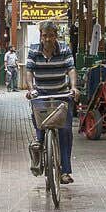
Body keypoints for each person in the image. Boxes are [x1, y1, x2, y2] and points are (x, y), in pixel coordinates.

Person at [25, 20, 78, 184]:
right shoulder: (34, 50)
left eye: (51, 36)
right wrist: (30, 89)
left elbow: (71, 69)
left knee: (65, 131)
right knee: (40, 128)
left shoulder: (64, 49)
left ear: (56, 36)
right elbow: (29, 71)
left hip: (61, 95)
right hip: (41, 95)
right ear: (41, 36)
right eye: (45, 35)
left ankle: (65, 172)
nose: (48, 39)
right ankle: (38, 151)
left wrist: (74, 87)